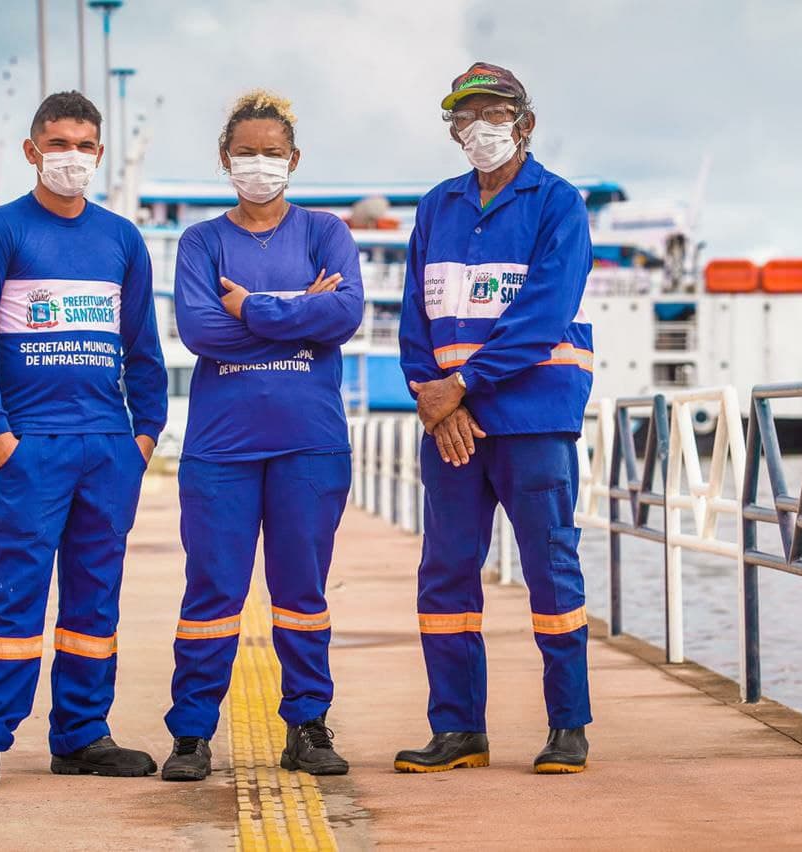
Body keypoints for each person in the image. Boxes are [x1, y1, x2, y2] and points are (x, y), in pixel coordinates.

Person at [0, 91, 168, 788]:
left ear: (99, 154)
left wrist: (145, 432)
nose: (71, 156)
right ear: (32, 150)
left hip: (108, 445)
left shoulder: (121, 239)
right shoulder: (0, 232)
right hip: (30, 444)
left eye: (83, 144)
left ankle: (81, 736)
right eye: (58, 142)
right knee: (11, 590)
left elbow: (142, 344)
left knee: (94, 598)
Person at [395, 63, 595, 774]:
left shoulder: (558, 203)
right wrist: (429, 395)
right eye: (463, 116)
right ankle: (457, 730)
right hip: (452, 424)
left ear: (525, 123)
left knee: (550, 568)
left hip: (531, 417)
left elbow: (543, 314)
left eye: (493, 113)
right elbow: (415, 316)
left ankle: (567, 725)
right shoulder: (437, 207)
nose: (477, 128)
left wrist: (463, 385)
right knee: (445, 573)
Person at [160, 90, 364, 781]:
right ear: (225, 159)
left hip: (310, 443)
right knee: (212, 591)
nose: (259, 165)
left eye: (272, 154)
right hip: (222, 448)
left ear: (294, 160)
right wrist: (299, 308)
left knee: (301, 592)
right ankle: (191, 733)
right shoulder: (201, 241)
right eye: (246, 152)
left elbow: (344, 317)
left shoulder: (326, 232)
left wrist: (251, 307)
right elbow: (198, 330)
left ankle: (307, 724)